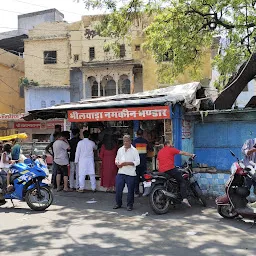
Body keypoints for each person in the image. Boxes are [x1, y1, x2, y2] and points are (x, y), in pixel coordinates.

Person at [157, 140, 195, 207]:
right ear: (168, 144)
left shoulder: (160, 151)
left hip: (161, 171)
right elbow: (182, 153)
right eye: (171, 143)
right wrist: (191, 155)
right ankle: (184, 198)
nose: (172, 144)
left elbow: (157, 163)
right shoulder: (171, 149)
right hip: (170, 169)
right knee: (182, 181)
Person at [114, 135, 140, 211]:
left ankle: (129, 205)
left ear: (130, 141)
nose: (125, 143)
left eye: (127, 141)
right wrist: (117, 163)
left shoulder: (134, 150)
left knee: (130, 190)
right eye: (124, 141)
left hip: (131, 173)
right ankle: (118, 203)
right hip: (121, 172)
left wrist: (128, 163)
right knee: (118, 189)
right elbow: (116, 159)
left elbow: (138, 162)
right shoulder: (120, 150)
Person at [132, 129, 148, 197]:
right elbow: (150, 148)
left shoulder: (134, 142)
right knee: (145, 178)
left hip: (137, 162)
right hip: (143, 162)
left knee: (136, 178)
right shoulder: (145, 141)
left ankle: (136, 192)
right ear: (142, 134)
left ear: (137, 134)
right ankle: (145, 192)